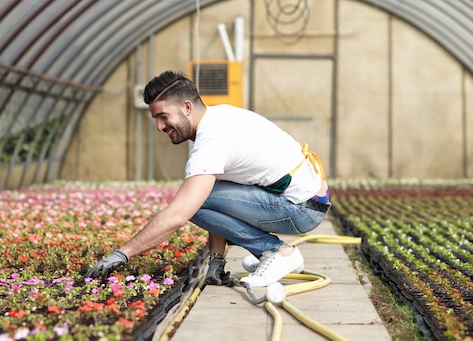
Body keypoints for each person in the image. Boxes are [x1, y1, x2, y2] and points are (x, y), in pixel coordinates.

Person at [85, 70, 331, 287]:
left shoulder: (211, 142)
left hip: (301, 209)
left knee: (192, 202)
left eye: (163, 116)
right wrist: (216, 261)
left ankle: (278, 253)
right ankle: (274, 254)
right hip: (310, 200)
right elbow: (219, 190)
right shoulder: (219, 117)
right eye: (156, 119)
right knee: (202, 196)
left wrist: (122, 253)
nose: (160, 126)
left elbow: (178, 214)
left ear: (187, 107)